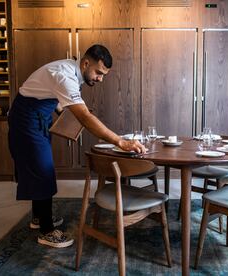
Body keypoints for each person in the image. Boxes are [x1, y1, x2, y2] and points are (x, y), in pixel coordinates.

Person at [8, 44, 146, 248]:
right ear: (85, 63)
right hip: (26, 121)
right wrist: (120, 141)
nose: (100, 79)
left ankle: (38, 218)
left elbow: (51, 97)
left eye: (104, 75)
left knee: (39, 168)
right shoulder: (64, 75)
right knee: (42, 170)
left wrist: (63, 117)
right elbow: (84, 117)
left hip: (37, 119)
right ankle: (46, 231)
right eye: (98, 73)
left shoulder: (70, 70)